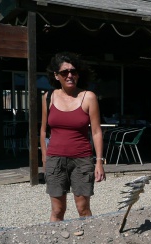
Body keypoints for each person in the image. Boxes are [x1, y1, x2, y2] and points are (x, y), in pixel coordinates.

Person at [40, 52, 106, 222]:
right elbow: (42, 130)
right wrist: (44, 157)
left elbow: (96, 131)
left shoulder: (88, 97)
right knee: (57, 210)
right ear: (56, 76)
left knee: (83, 208)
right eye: (64, 72)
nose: (70, 75)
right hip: (55, 159)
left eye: (73, 71)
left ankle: (89, 242)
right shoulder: (48, 97)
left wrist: (99, 162)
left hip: (82, 160)